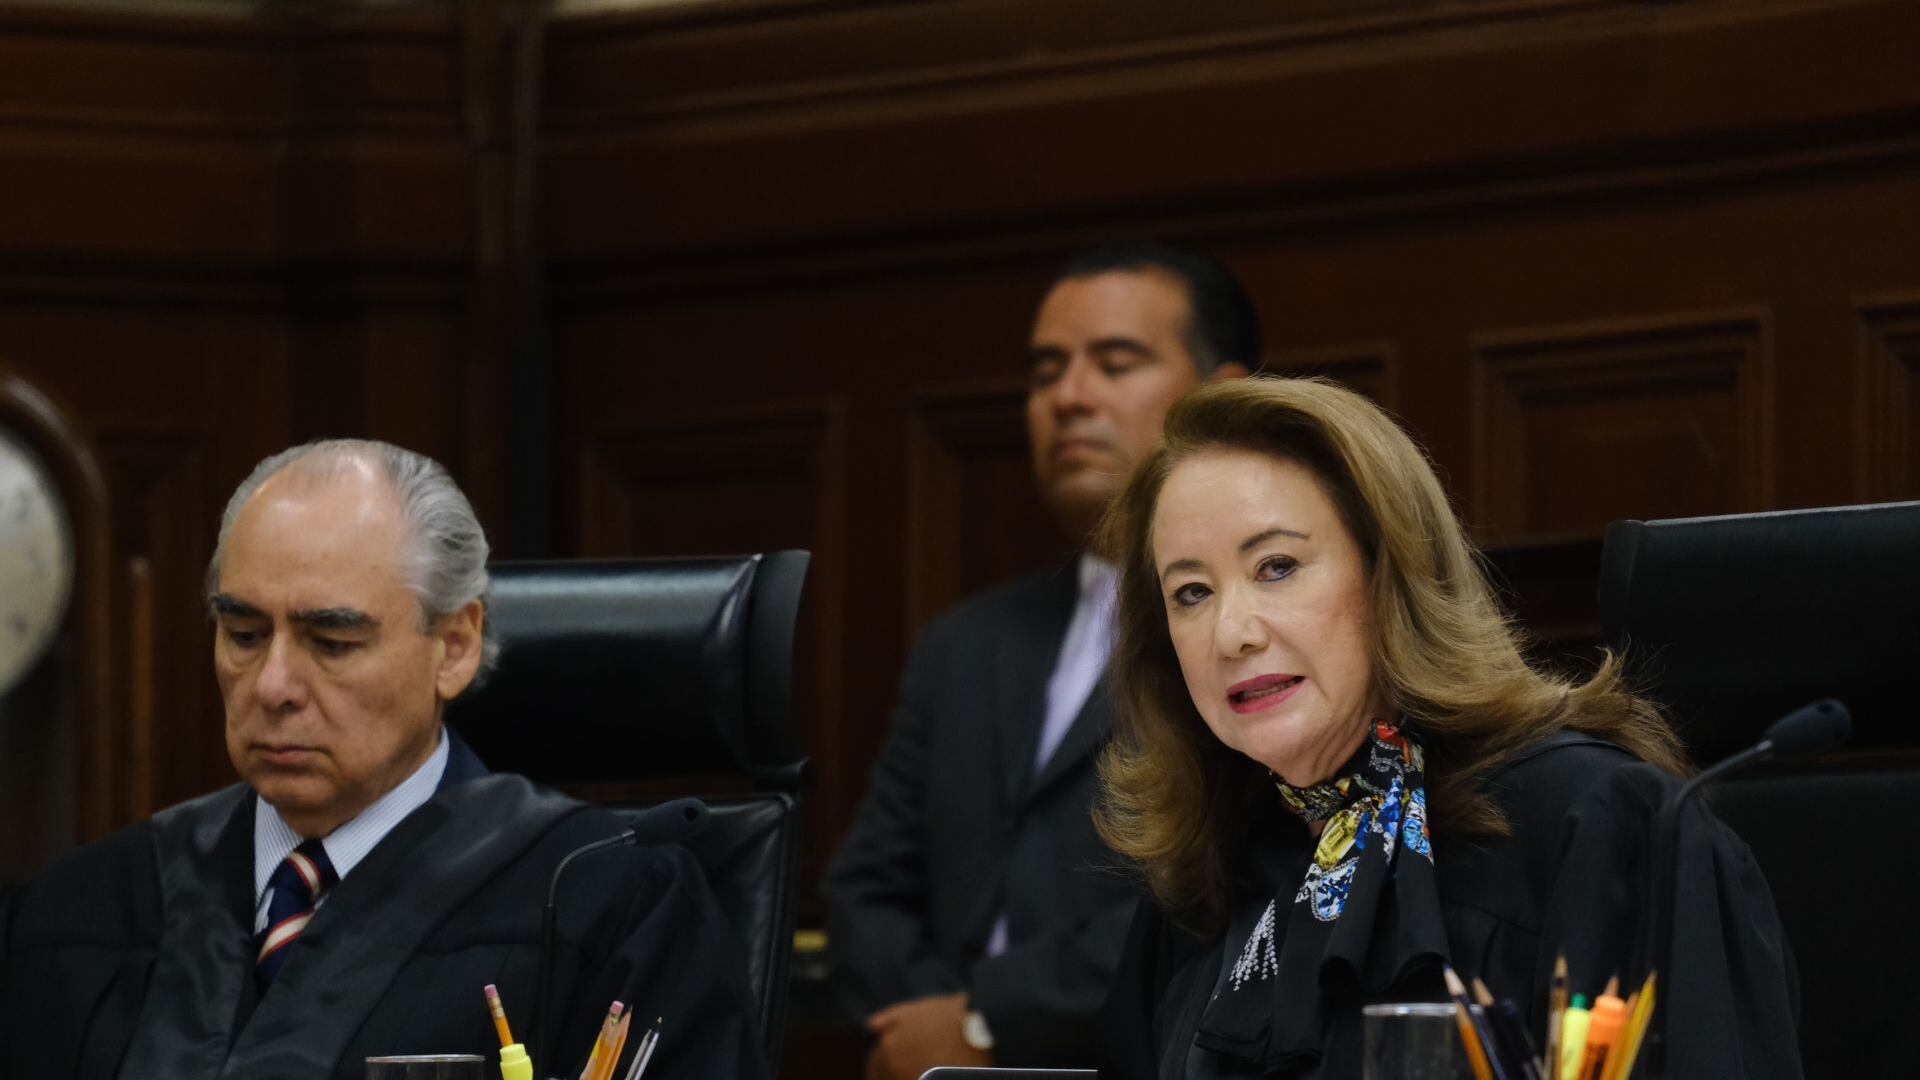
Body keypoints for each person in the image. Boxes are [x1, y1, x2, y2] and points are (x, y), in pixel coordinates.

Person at [1093, 377, 1801, 1079]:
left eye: (1277, 567)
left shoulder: (1600, 825)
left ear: (1389, 576)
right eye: (1191, 592)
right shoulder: (1206, 875)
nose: (1231, 633)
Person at [0, 440, 767, 1080]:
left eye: (331, 643)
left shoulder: (605, 905)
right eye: (242, 634)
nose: (272, 686)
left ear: (455, 646)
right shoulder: (85, 911)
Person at [822, 244, 1258, 1080]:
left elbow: (1229, 878)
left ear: (1222, 395)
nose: (1068, 397)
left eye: (1115, 362)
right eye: (1047, 370)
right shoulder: (964, 644)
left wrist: (990, 1021)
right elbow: (864, 890)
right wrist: (935, 1032)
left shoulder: (1254, 630)